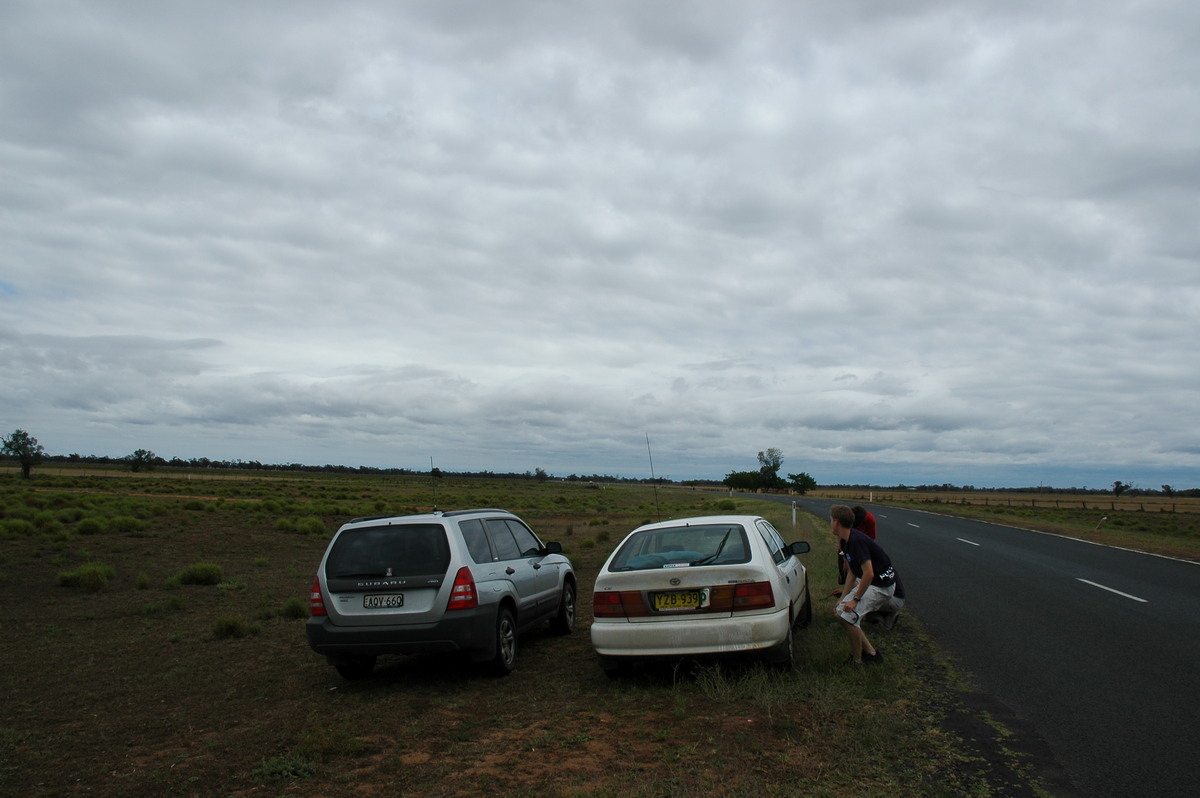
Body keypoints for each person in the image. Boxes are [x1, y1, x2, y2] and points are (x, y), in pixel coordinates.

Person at [830, 504, 905, 665]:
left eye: (831, 520)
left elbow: (869, 573)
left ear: (836, 522)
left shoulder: (857, 542)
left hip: (881, 586)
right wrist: (843, 598)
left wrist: (855, 599)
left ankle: (857, 661)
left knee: (849, 616)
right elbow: (852, 572)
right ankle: (871, 653)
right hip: (871, 582)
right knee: (839, 612)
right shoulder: (845, 541)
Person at [834, 504, 877, 590]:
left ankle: (859, 588)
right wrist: (844, 557)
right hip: (847, 545)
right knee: (845, 570)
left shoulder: (870, 520)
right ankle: (848, 587)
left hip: (862, 547)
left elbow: (871, 540)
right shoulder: (847, 519)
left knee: (860, 570)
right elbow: (840, 536)